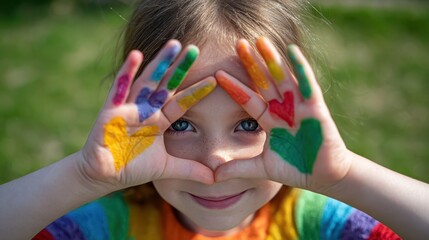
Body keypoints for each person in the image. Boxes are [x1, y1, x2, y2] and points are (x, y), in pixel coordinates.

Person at [1, 0, 428, 239]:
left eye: (249, 124)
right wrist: (84, 177)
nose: (216, 161)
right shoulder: (109, 226)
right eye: (181, 124)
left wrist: (343, 175)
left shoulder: (317, 226)